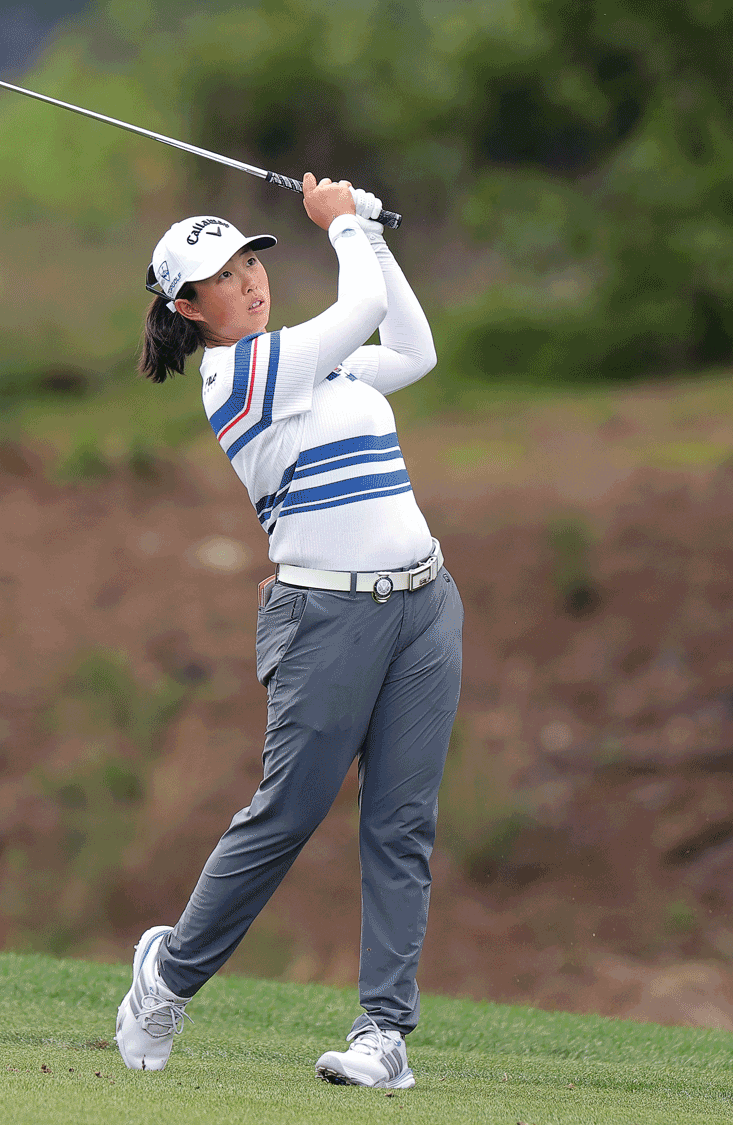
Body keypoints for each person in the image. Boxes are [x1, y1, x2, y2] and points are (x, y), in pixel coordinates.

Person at [115, 174, 461, 1091]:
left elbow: (413, 348)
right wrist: (345, 224)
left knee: (402, 824)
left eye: (250, 262)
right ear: (188, 308)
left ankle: (384, 1033)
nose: (250, 281)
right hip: (324, 620)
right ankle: (171, 977)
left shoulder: (319, 362)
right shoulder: (241, 374)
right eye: (224, 277)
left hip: (424, 606)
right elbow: (360, 310)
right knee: (287, 814)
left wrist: (374, 235)